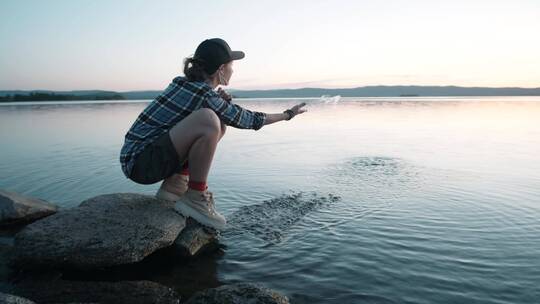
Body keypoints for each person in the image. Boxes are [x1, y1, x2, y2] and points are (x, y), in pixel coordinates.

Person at [119, 38, 307, 230]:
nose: (233, 70)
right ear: (221, 70)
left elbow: (190, 115)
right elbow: (247, 119)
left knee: (218, 121)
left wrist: (220, 104)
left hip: (141, 159)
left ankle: (174, 186)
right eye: (231, 65)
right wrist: (288, 114)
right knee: (209, 120)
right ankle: (195, 197)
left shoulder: (186, 86)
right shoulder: (203, 94)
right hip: (140, 163)